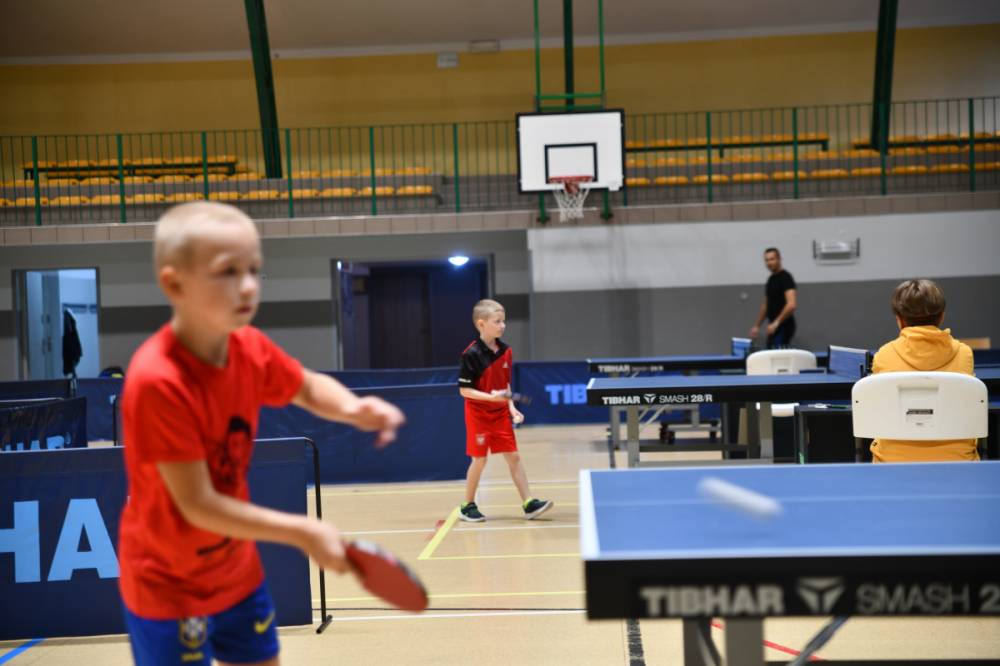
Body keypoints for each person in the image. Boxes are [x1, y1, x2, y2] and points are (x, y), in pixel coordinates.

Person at [118, 202, 405, 666]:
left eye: (254, 269)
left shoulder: (248, 347)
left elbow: (305, 386)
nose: (249, 285)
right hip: (167, 585)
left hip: (235, 570)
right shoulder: (158, 381)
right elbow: (197, 503)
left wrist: (352, 408)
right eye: (227, 272)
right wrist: (302, 530)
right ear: (174, 284)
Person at [456, 299, 552, 522]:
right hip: (478, 414)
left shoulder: (506, 351)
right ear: (481, 324)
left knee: (514, 457)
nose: (503, 325)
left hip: (499, 414)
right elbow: (464, 390)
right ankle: (467, 506)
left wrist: (511, 407)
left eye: (503, 321)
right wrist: (490, 398)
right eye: (497, 321)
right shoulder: (471, 354)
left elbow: (504, 385)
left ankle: (528, 503)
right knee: (480, 460)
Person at [869, 279, 976, 463]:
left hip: (892, 460)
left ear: (899, 320)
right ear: (942, 316)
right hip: (957, 459)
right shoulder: (964, 354)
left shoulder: (884, 355)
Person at [749, 247, 797, 349]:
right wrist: (757, 325)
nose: (769, 263)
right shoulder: (771, 279)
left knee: (778, 355)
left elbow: (791, 305)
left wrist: (776, 323)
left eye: (772, 259)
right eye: (766, 260)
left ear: (779, 259)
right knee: (770, 352)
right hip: (773, 326)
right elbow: (766, 304)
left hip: (784, 326)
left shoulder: (786, 277)